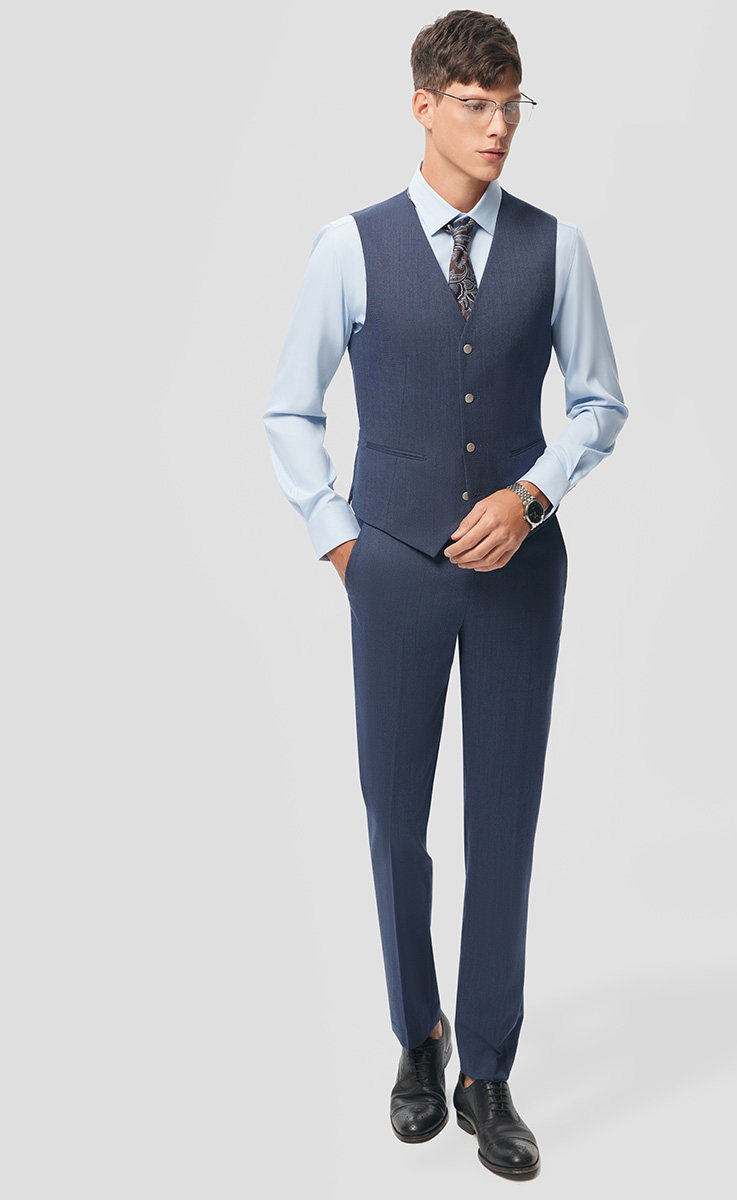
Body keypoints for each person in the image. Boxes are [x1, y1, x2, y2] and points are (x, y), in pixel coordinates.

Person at [262, 9, 628, 1181]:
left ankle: (488, 1071)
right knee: (396, 819)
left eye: (513, 104)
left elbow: (600, 404)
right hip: (394, 570)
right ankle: (418, 1039)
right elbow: (289, 408)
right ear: (424, 107)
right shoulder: (349, 246)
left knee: (503, 823)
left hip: (521, 576)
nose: (499, 126)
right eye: (476, 105)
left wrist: (534, 495)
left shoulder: (557, 247)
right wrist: (343, 544)